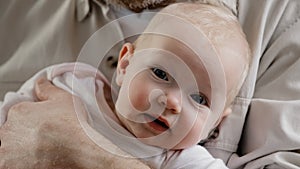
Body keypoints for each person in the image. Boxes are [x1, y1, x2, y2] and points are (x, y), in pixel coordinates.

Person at [0, 2, 251, 168]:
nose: (172, 102)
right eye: (160, 73)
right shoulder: (76, 87)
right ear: (125, 65)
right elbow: (10, 119)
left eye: (199, 99)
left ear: (216, 122)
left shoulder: (181, 161)